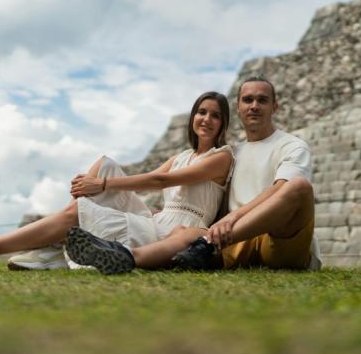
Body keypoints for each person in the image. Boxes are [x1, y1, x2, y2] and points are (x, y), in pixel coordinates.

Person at [0, 91, 234, 272]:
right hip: (157, 220)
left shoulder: (222, 157)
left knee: (83, 205)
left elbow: (158, 180)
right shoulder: (183, 155)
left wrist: (102, 188)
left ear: (223, 124)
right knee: (106, 164)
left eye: (215, 115)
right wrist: (98, 184)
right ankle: (55, 247)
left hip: (175, 231)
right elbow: (146, 185)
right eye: (201, 112)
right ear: (193, 117)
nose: (206, 119)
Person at [65, 76, 320, 274]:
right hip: (229, 243)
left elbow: (281, 189)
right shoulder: (230, 155)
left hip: (276, 242)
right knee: (188, 233)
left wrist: (232, 220)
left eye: (262, 100)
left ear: (275, 106)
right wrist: (166, 212)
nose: (254, 106)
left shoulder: (291, 146)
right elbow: (212, 200)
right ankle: (127, 256)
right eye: (248, 100)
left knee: (300, 187)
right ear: (239, 109)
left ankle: (204, 245)